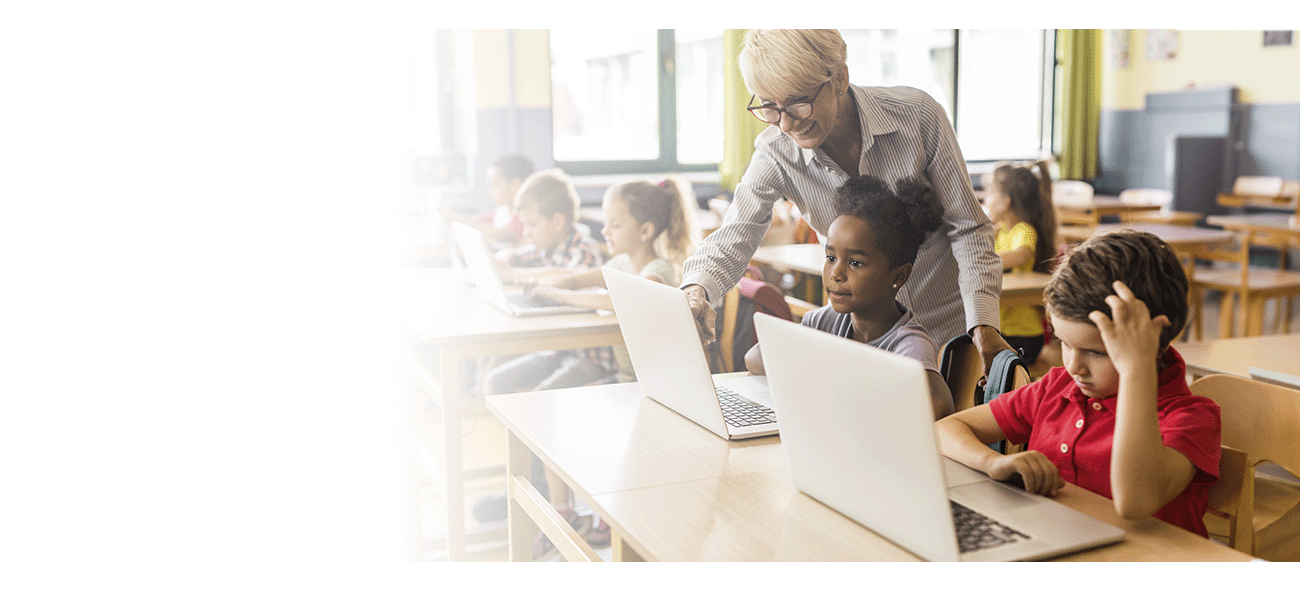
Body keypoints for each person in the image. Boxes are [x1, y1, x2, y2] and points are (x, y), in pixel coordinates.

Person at [681, 29, 1012, 373]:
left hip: (949, 336)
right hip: (860, 342)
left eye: (797, 102)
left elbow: (969, 228)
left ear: (840, 77)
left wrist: (983, 325)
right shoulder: (776, 152)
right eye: (769, 107)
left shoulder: (918, 116)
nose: (786, 124)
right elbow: (734, 237)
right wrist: (696, 290)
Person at [935, 230, 1221, 536]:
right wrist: (992, 462)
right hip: (1059, 544)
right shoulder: (1057, 387)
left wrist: (1136, 371)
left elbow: (1135, 501)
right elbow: (943, 430)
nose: (1073, 366)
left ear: (1156, 341)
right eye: (1065, 344)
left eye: (1096, 352)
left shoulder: (1191, 417)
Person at [745, 175, 955, 419]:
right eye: (830, 258)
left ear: (898, 276)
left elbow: (939, 404)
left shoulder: (908, 344)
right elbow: (756, 357)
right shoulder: (825, 321)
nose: (835, 273)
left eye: (855, 262)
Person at [528, 176, 700, 384]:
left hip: (653, 383)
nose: (604, 231)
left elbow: (621, 303)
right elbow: (575, 279)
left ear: (645, 230)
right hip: (625, 377)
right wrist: (545, 284)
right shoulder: (621, 263)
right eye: (606, 223)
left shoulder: (659, 271)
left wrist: (561, 295)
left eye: (615, 225)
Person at [984, 160, 1057, 364]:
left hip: (1023, 336)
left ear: (1005, 201)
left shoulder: (1023, 230)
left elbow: (1022, 254)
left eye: (990, 193)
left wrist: (983, 261)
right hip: (1003, 330)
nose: (985, 199)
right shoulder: (1001, 231)